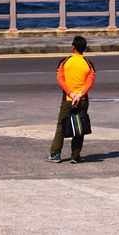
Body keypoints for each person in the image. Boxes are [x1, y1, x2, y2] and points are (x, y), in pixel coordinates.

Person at [46, 35, 96, 164]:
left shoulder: (64, 61)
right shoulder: (88, 64)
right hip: (83, 100)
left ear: (73, 47)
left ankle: (55, 154)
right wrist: (79, 95)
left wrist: (71, 94)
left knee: (61, 126)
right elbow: (89, 82)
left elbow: (60, 79)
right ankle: (75, 156)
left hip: (68, 99)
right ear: (84, 48)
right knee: (80, 127)